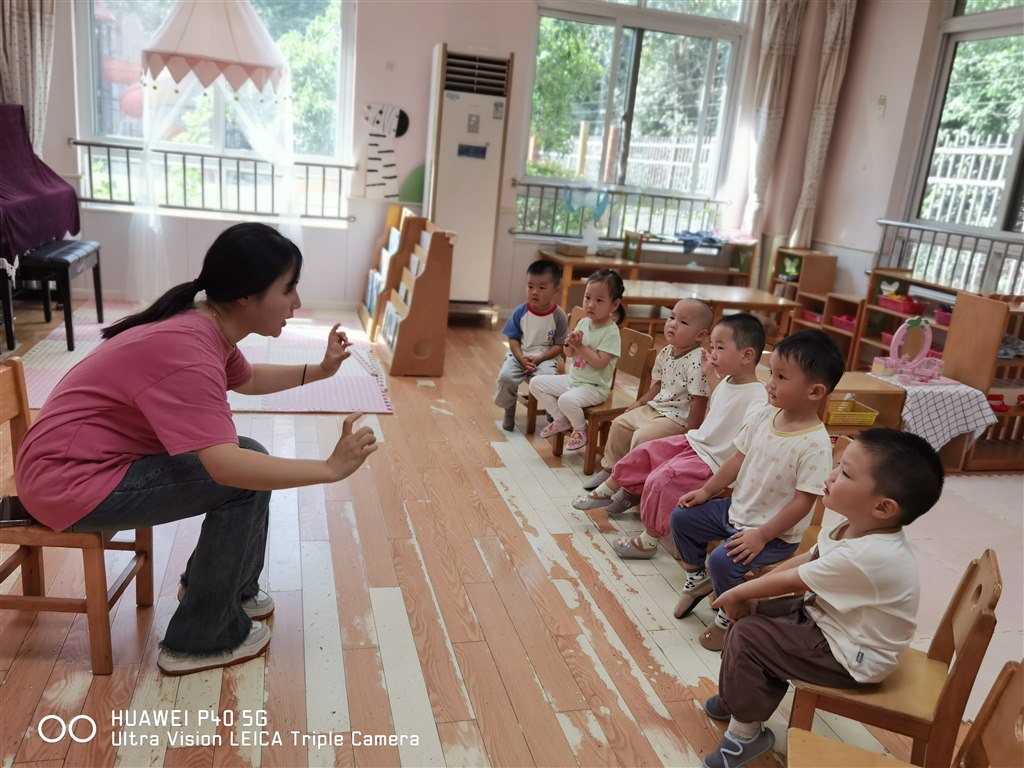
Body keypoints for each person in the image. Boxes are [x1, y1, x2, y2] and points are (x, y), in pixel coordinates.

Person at [14, 222, 378, 676]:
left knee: (251, 455)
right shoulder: (189, 349)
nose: (297, 302)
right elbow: (226, 468)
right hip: (69, 482)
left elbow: (247, 379)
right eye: (288, 289)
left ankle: (224, 591)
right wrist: (328, 468)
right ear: (247, 295)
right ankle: (200, 638)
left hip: (78, 465)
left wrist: (320, 370)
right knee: (243, 477)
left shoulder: (204, 324)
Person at [698, 429, 945, 768]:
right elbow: (810, 558)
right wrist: (752, 591)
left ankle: (745, 735)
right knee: (755, 614)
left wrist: (736, 592)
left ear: (883, 507)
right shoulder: (853, 526)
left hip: (852, 657)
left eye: (845, 473)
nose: (830, 475)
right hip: (830, 623)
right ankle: (739, 697)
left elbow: (795, 580)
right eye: (838, 465)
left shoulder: (871, 554)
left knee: (748, 634)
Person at [672, 328, 844, 651]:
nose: (770, 383)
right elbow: (737, 458)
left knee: (722, 561)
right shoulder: (765, 415)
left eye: (781, 377)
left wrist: (762, 536)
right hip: (736, 510)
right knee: (683, 518)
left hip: (774, 533)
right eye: (771, 373)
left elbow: (803, 503)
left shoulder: (815, 443)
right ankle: (697, 579)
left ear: (815, 391)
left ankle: (729, 615)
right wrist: (707, 492)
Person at [584, 314, 769, 563]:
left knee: (661, 480)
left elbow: (755, 424)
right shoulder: (728, 380)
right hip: (695, 443)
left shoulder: (758, 396)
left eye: (720, 348)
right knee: (645, 451)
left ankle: (648, 540)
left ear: (746, 355)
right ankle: (607, 489)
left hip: (712, 462)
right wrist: (709, 373)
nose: (713, 354)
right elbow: (723, 396)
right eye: (712, 346)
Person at [573, 298, 712, 509]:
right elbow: (658, 385)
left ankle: (632, 489)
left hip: (677, 418)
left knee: (642, 437)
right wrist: (639, 402)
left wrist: (691, 435)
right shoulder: (666, 351)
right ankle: (611, 470)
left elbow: (700, 400)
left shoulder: (697, 361)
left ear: (701, 335)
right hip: (655, 407)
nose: (673, 324)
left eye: (683, 322)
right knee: (620, 424)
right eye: (672, 317)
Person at [529, 269, 624, 452]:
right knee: (536, 383)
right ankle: (561, 420)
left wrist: (579, 346)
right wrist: (570, 345)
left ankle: (580, 430)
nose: (591, 304)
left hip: (594, 388)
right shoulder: (583, 322)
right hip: (574, 381)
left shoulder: (611, 332)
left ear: (614, 304)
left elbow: (600, 363)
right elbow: (569, 354)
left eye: (599, 300)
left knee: (566, 400)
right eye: (587, 298)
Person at [494, 259, 569, 432]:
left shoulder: (559, 315)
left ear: (555, 290)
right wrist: (521, 359)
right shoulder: (520, 312)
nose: (534, 292)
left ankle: (553, 413)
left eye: (541, 287)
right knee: (505, 377)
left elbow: (559, 345)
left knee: (548, 379)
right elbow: (513, 339)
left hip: (546, 357)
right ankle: (509, 410)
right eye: (530, 286)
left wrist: (540, 358)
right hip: (520, 355)